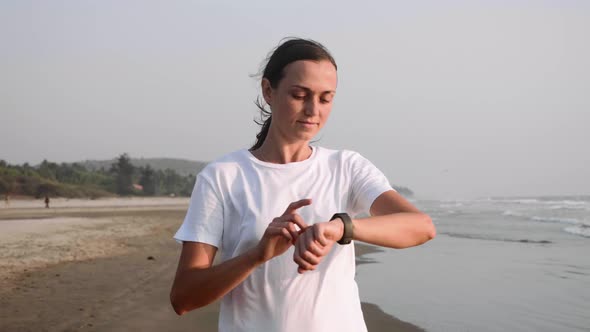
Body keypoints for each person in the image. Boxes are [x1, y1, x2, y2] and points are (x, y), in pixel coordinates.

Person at [170, 38, 436, 332]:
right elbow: (184, 297)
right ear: (268, 91)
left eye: (325, 98)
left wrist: (339, 228)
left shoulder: (346, 167)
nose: (313, 110)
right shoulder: (223, 176)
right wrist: (258, 255)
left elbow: (421, 226)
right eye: (300, 95)